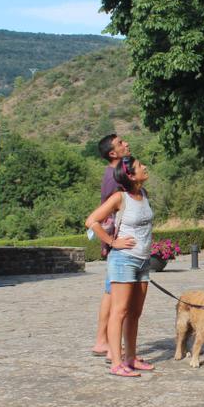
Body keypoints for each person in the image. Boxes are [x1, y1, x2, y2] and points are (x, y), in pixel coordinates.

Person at [86, 155, 155, 377]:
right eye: (139, 166)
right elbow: (91, 221)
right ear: (130, 175)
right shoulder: (119, 197)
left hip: (143, 261)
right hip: (124, 260)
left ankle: (131, 358)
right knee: (120, 311)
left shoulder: (143, 194)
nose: (144, 167)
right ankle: (117, 363)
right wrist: (113, 242)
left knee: (135, 313)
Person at [91, 133, 131, 357]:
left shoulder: (116, 174)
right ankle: (109, 346)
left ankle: (103, 341)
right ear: (113, 153)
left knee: (110, 291)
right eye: (120, 143)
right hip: (119, 244)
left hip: (118, 242)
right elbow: (103, 215)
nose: (126, 144)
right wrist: (113, 242)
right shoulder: (113, 178)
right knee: (116, 294)